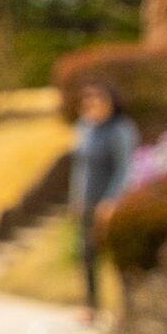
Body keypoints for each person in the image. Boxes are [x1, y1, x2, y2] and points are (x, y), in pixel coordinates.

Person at [67, 81, 139, 316]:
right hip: (87, 202)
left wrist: (111, 200)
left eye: (97, 100)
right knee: (87, 255)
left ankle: (127, 310)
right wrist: (76, 199)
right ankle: (91, 304)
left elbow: (124, 169)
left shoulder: (121, 130)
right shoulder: (84, 128)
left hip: (111, 204)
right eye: (88, 102)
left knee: (119, 257)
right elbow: (79, 167)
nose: (92, 106)